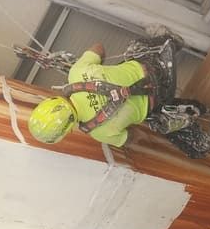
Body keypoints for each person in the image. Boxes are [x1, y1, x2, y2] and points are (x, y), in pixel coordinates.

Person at [27, 34, 179, 148]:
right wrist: (98, 71)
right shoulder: (76, 73)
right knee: (136, 46)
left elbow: (135, 137)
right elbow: (99, 47)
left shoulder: (99, 133)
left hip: (162, 97)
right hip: (153, 67)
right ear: (49, 101)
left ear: (66, 130)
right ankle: (174, 40)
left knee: (155, 122)